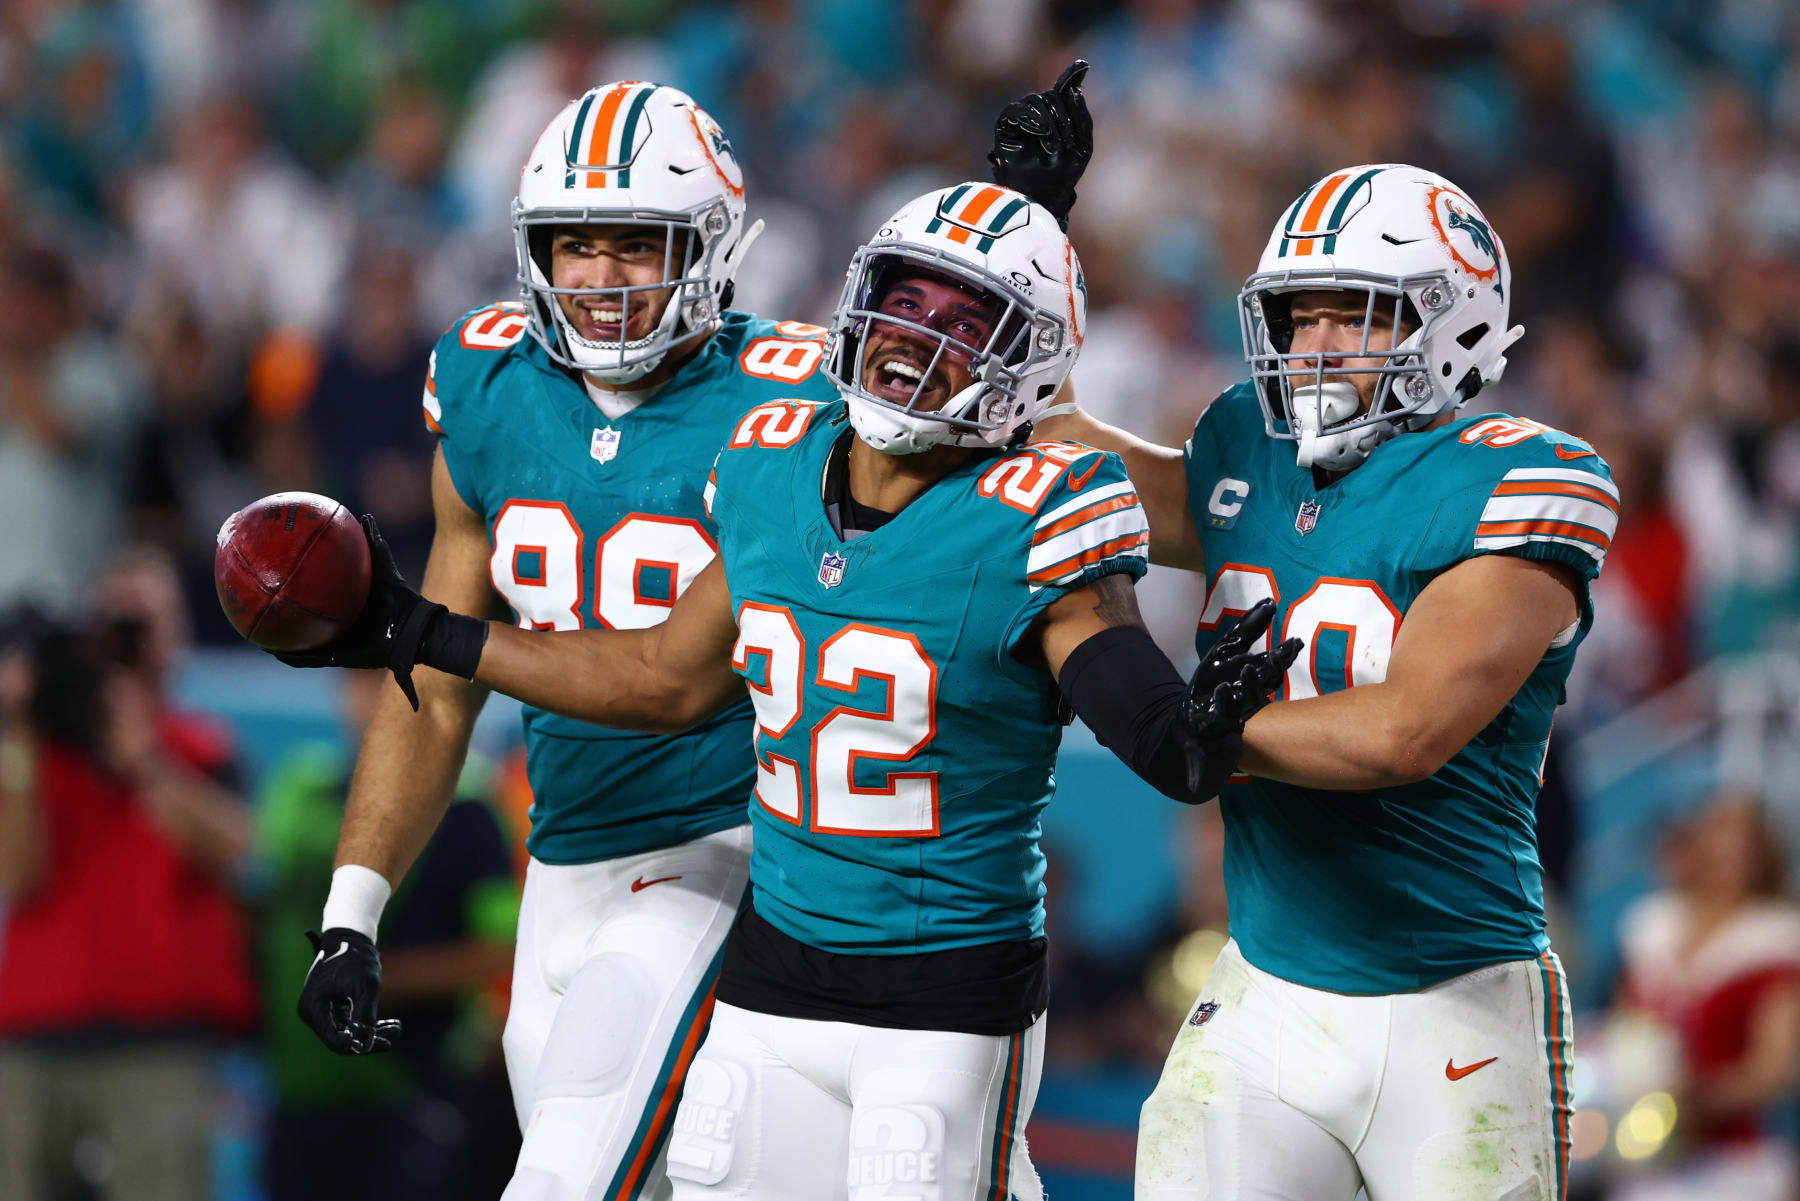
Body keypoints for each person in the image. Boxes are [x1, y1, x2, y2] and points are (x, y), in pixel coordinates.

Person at [266, 175, 1300, 1199]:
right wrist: (422, 633)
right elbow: (654, 672)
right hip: (772, 970)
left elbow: (1145, 711)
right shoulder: (774, 465)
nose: (916, 342)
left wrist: (1188, 728)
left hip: (925, 970)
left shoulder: (1034, 505)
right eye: (900, 305)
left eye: (960, 321)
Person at [987, 84, 1615, 1201]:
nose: (1314, 346)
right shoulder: (1245, 444)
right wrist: (1023, 232)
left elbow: (1405, 731)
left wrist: (1198, 733)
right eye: (1298, 314)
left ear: (1453, 320)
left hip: (1453, 1012)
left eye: (1354, 314)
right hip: (1265, 992)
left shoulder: (1523, 478)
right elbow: (1055, 452)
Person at [0, 549, 256, 1201]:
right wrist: (20, 730)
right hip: (34, 1039)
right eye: (109, 624)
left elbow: (236, 853)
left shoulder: (201, 744)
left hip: (158, 1042)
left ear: (176, 637)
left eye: (140, 625)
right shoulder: (32, 750)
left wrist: (145, 761)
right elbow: (16, 873)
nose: (122, 644)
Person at [256, 669, 518, 1201]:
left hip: (411, 1085)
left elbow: (498, 949)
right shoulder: (298, 787)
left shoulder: (469, 807)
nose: (373, 692)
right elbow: (257, 893)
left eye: (386, 674)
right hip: (299, 1089)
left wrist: (375, 978)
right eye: (359, 676)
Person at [1613, 795, 1800, 1201]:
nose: (1728, 856)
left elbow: (1773, 1069)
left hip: (1733, 1163)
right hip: (1646, 1155)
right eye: (1719, 838)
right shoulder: (1653, 927)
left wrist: (1696, 1100)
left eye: (1743, 846)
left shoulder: (1776, 939)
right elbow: (1625, 1028)